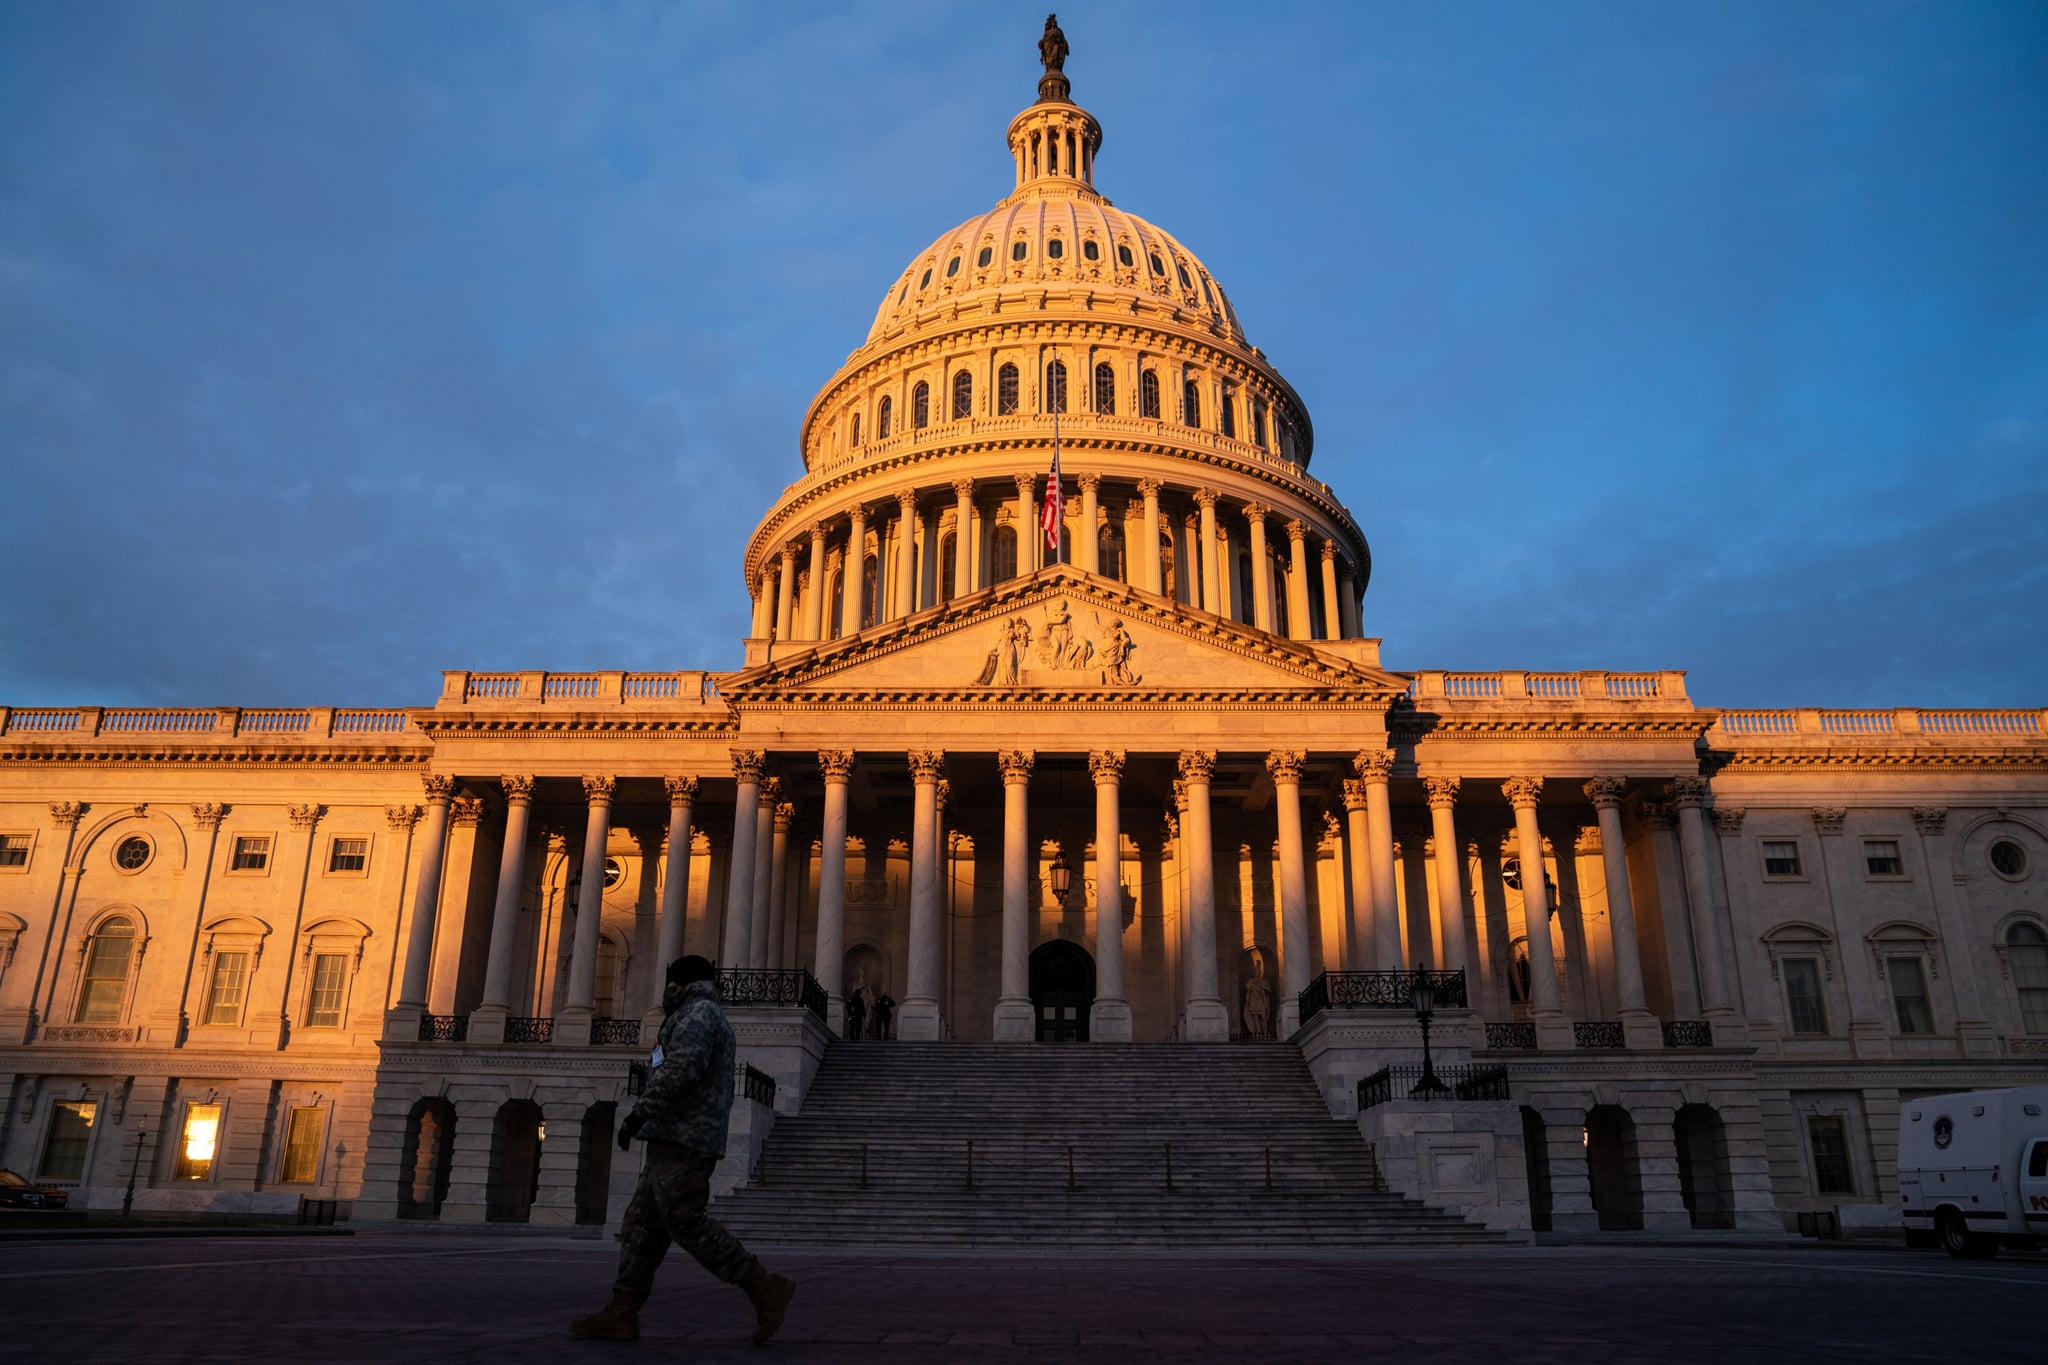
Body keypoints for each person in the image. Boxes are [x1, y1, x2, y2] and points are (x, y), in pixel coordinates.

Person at [570, 955, 796, 1345]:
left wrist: (640, 1112)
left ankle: (762, 1284)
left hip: (686, 1137)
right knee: (641, 1226)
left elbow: (681, 1068)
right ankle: (623, 1310)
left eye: (669, 984)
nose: (665, 991)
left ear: (678, 984)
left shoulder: (698, 1015)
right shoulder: (693, 1014)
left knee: (685, 1219)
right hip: (673, 1135)